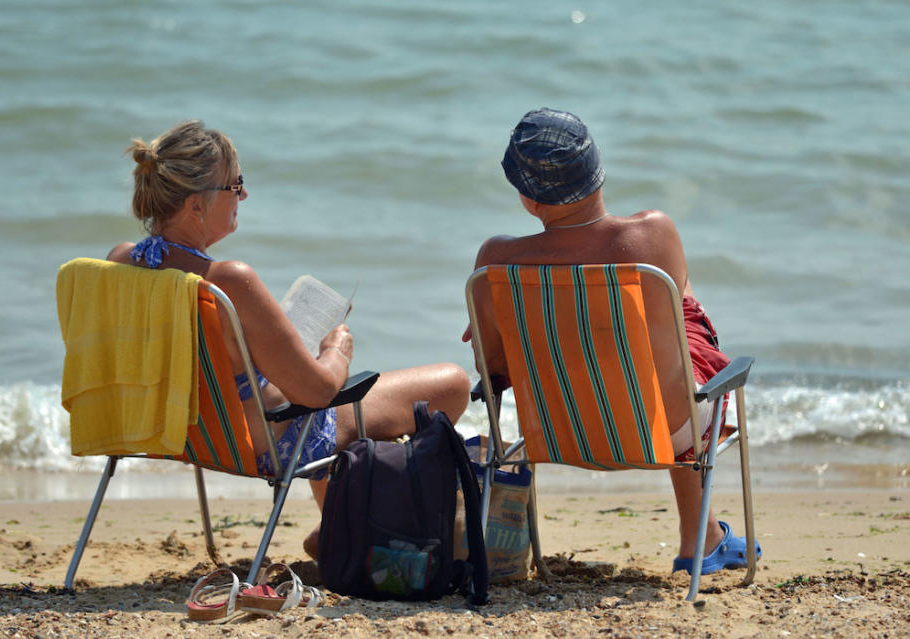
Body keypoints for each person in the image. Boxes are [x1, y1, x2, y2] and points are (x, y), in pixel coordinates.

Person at [107, 120, 471, 557]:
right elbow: (317, 391)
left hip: (182, 433)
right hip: (252, 442)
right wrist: (335, 349)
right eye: (233, 185)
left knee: (292, 388)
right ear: (195, 208)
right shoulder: (227, 282)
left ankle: (339, 520)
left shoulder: (121, 262)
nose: (243, 195)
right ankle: (351, 526)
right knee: (448, 383)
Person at [463, 107, 759, 575]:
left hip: (556, 432)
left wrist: (492, 321)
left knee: (641, 325)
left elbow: (493, 368)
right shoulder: (653, 235)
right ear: (598, 169)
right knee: (677, 312)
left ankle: (704, 535)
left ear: (529, 199)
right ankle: (700, 538)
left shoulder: (495, 261)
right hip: (663, 431)